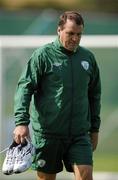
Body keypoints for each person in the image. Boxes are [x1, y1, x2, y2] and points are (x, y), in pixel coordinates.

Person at [13, 11, 101, 180]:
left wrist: (95, 128)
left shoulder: (88, 58)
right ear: (59, 30)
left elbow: (94, 95)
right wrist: (21, 122)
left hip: (79, 134)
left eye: (79, 34)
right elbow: (25, 88)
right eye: (70, 33)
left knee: (86, 175)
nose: (75, 38)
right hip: (48, 135)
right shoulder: (42, 55)